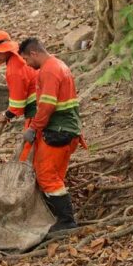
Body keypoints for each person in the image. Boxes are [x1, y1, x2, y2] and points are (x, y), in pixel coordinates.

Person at [18, 37, 83, 231]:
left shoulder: (49, 71)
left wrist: (33, 128)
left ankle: (66, 221)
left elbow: (47, 106)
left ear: (34, 53)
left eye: (27, 60)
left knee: (46, 176)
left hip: (58, 131)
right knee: (55, 176)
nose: (27, 65)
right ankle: (60, 217)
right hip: (68, 130)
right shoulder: (58, 65)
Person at [0, 30, 37, 129]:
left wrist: (6, 115)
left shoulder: (14, 70)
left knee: (34, 143)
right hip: (43, 103)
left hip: (36, 110)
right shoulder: (19, 55)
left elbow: (18, 104)